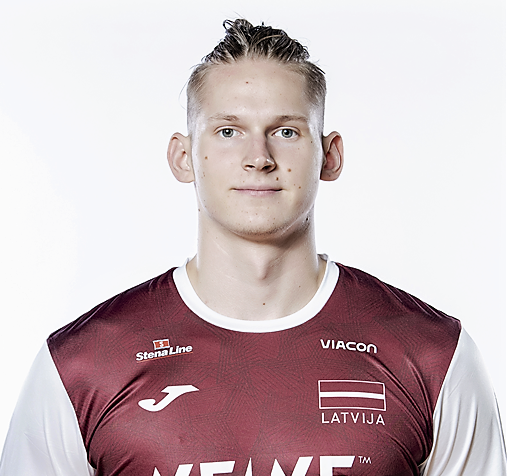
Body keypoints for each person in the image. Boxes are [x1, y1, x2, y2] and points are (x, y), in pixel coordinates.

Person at [0, 18, 505, 476]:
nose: (258, 157)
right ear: (183, 157)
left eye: (286, 131)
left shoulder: (433, 355)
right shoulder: (82, 365)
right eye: (228, 131)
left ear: (329, 155)